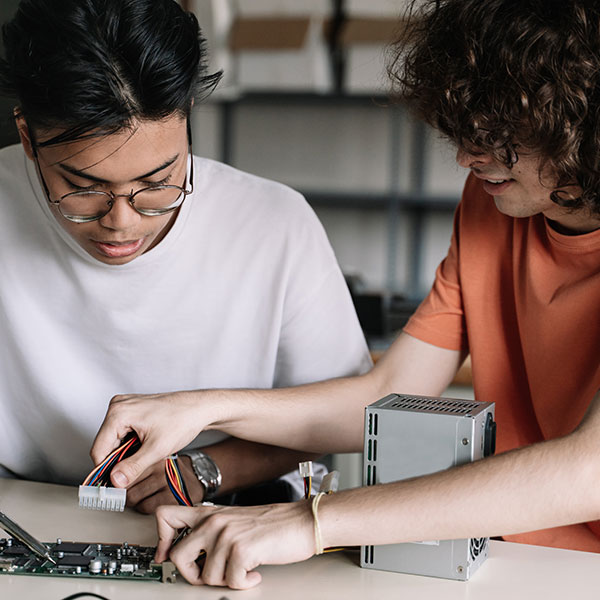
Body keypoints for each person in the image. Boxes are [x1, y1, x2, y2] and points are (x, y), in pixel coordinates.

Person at [90, 0, 600, 589]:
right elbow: (389, 394)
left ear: (577, 119)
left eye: (500, 137)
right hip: (515, 564)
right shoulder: (493, 201)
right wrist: (201, 407)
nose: (465, 158)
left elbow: (588, 471)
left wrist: (312, 522)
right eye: (466, 134)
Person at [0, 0, 372, 512]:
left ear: (186, 117)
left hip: (228, 513)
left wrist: (206, 468)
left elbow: (345, 416)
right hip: (27, 511)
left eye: (157, 184)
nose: (122, 221)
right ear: (27, 138)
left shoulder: (273, 222)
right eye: (84, 188)